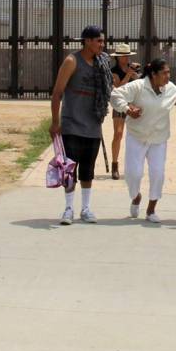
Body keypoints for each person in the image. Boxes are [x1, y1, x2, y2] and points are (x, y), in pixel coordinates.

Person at [109, 58, 176, 223]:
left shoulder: (171, 90)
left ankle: (151, 209)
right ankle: (136, 197)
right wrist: (127, 109)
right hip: (136, 136)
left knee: (158, 174)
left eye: (169, 72)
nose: (168, 76)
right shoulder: (138, 86)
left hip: (159, 139)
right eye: (164, 73)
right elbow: (115, 95)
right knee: (134, 174)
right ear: (153, 74)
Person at [50, 25, 112, 225]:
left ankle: (86, 209)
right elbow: (58, 92)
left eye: (103, 41)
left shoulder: (102, 63)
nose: (102, 45)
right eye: (98, 41)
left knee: (88, 170)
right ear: (87, 41)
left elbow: (111, 86)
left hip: (93, 125)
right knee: (70, 170)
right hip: (72, 124)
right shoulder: (72, 61)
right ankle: (68, 209)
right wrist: (55, 122)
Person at [108, 42, 141, 180]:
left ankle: (134, 167)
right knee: (118, 134)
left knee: (138, 136)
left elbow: (141, 85)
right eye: (123, 56)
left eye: (127, 55)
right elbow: (118, 90)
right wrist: (128, 75)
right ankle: (115, 165)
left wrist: (137, 76)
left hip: (135, 104)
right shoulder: (113, 71)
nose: (126, 58)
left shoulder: (134, 68)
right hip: (120, 104)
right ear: (117, 57)